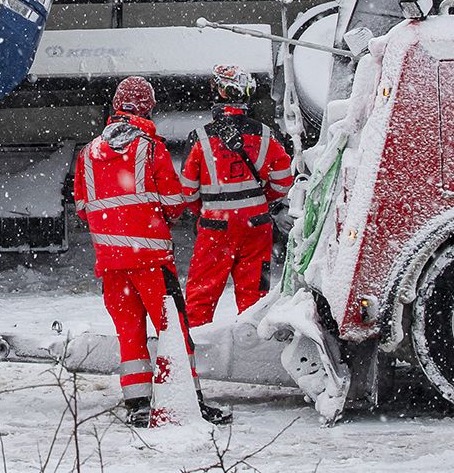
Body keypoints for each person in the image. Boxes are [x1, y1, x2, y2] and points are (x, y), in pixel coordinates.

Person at [73, 75, 230, 427]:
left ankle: (138, 405)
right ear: (148, 107)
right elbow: (174, 203)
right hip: (151, 263)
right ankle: (190, 401)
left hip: (111, 266)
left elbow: (83, 206)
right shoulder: (150, 149)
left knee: (129, 336)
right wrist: (150, 218)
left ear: (116, 106)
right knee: (173, 332)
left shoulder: (87, 154)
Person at [181, 65, 294, 330]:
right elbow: (283, 180)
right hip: (257, 225)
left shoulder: (199, 138)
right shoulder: (266, 134)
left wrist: (207, 209)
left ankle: (196, 350)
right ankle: (251, 346)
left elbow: (188, 191)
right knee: (254, 296)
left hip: (215, 227)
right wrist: (258, 200)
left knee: (201, 296)